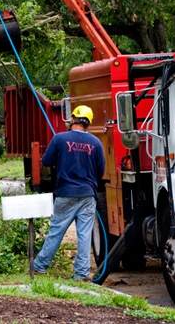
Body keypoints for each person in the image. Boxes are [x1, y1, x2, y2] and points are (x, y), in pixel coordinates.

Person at [33, 105, 105, 281]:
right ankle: (81, 274)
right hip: (88, 195)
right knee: (84, 235)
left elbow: (47, 161)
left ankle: (40, 266)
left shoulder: (60, 139)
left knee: (56, 231)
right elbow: (100, 171)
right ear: (88, 123)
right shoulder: (96, 143)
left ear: (73, 119)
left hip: (66, 193)